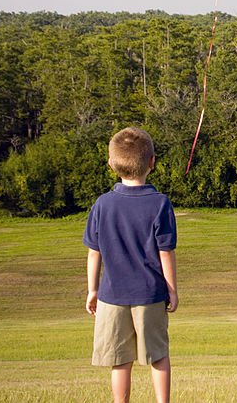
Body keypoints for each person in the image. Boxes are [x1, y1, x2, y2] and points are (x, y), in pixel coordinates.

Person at [83, 127, 178, 403]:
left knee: (120, 360)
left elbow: (94, 252)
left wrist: (92, 290)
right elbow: (166, 252)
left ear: (111, 164)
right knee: (158, 355)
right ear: (152, 162)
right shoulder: (160, 203)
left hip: (111, 296)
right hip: (150, 294)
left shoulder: (102, 205)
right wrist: (172, 289)